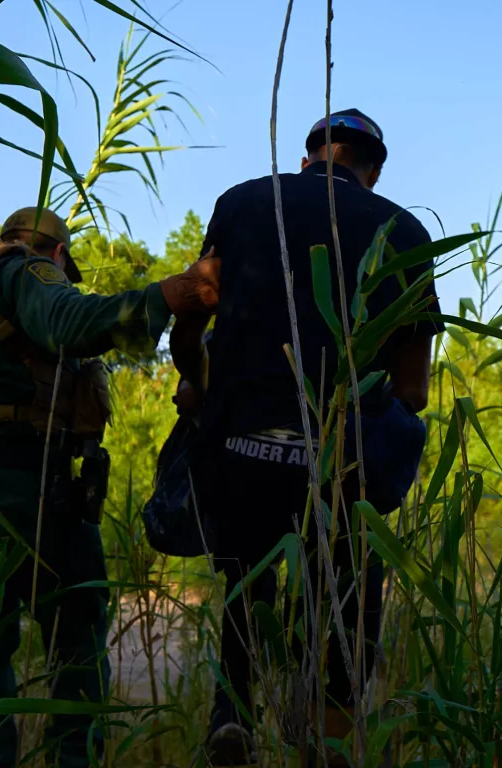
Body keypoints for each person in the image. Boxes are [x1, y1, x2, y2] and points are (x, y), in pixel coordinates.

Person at [171, 109, 440, 765]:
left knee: (242, 571)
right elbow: (413, 390)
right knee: (350, 581)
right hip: (343, 453)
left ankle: (232, 710)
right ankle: (333, 732)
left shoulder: (241, 202)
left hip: (240, 442)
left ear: (308, 156)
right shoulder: (402, 229)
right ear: (371, 170)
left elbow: (191, 302)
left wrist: (195, 380)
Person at [0, 206, 220, 768]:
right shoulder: (27, 271)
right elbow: (71, 323)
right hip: (28, 493)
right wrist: (172, 295)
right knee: (76, 643)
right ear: (56, 252)